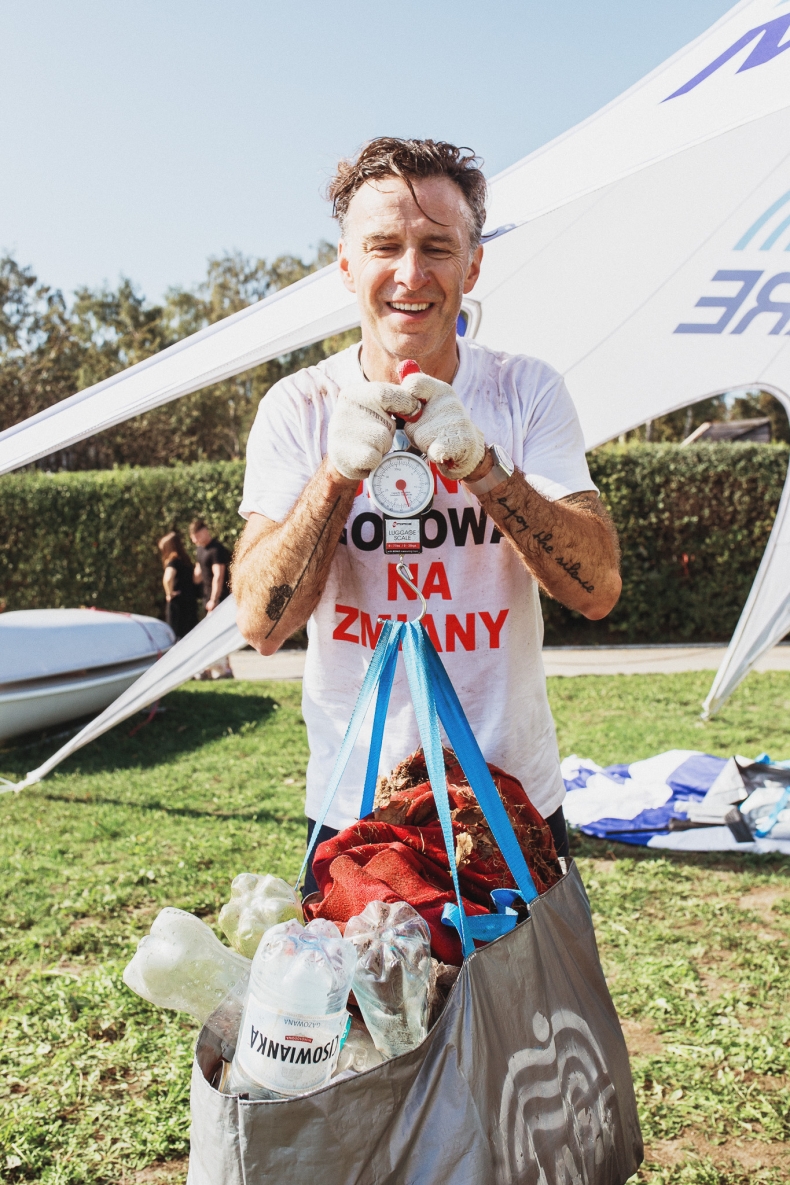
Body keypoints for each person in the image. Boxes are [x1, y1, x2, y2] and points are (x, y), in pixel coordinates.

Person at [233, 138, 621, 893]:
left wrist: (485, 468)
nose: (411, 274)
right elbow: (260, 623)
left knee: (522, 1014)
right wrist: (337, 475)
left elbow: (598, 587)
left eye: (437, 247)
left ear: (472, 266)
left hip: (508, 799)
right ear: (346, 265)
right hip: (356, 811)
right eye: (384, 246)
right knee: (373, 1014)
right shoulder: (299, 407)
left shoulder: (524, 391)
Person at [158, 530, 199, 639]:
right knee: (190, 634)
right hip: (190, 601)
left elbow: (167, 578)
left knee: (176, 634)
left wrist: (169, 593)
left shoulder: (173, 561)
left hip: (178, 603)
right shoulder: (186, 561)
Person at [189, 519, 231, 612]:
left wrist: (214, 600)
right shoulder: (199, 549)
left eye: (197, 536)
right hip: (207, 596)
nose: (195, 540)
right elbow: (198, 571)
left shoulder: (216, 550)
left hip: (221, 598)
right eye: (193, 538)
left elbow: (218, 575)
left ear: (205, 531)